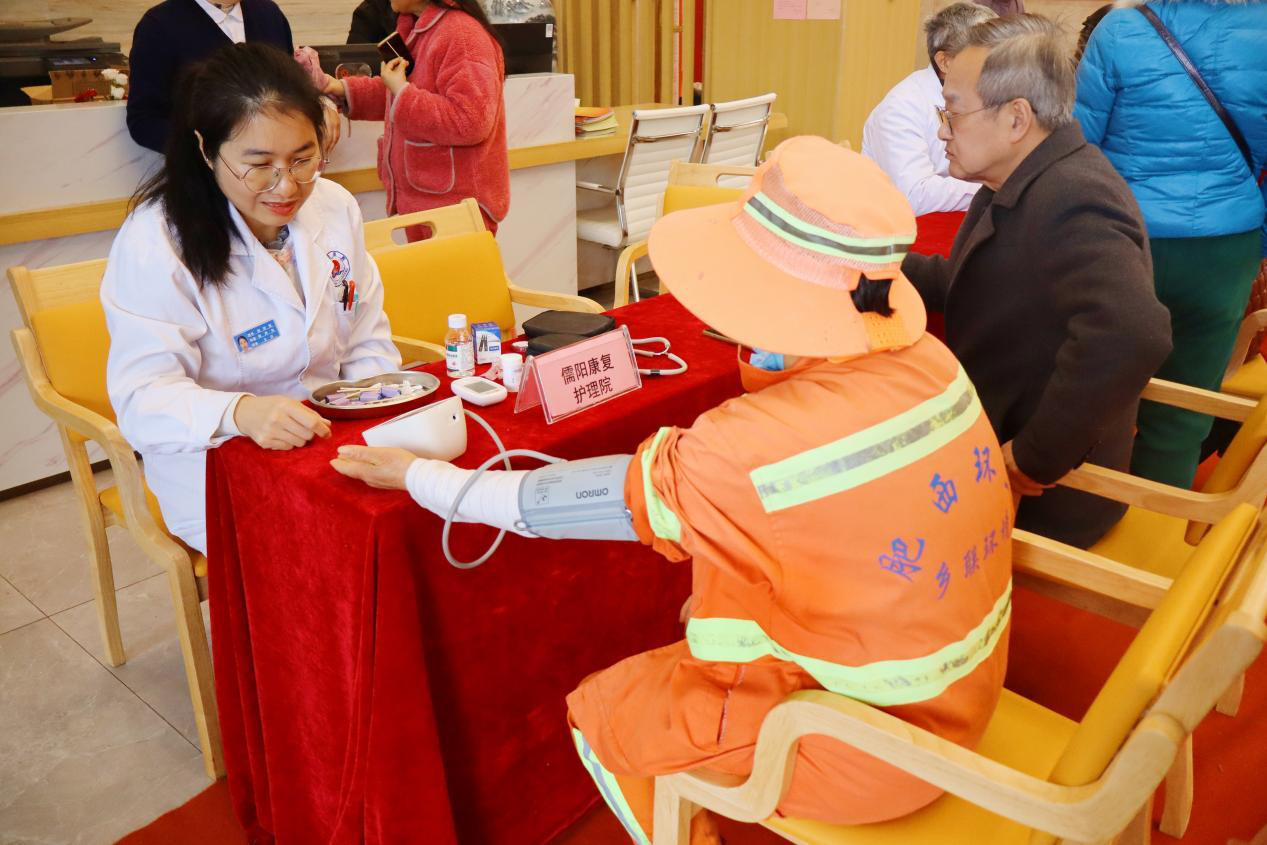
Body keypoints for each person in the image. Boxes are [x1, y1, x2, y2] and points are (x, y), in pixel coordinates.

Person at [332, 136, 1014, 843]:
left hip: (862, 744)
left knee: (605, 718)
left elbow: (554, 506)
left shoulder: (744, 448)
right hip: (967, 694)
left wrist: (420, 477)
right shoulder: (932, 362)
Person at [103, 43, 401, 554]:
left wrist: (376, 413)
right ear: (206, 149)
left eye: (303, 159)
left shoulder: (334, 207)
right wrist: (240, 413)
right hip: (217, 461)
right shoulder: (158, 241)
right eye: (259, 165)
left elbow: (365, 336)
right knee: (325, 555)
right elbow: (142, 397)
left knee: (418, 521)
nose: (286, 187)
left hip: (329, 437)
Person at [902, 14, 1172, 549]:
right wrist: (873, 264)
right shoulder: (1023, 177)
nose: (942, 130)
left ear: (1016, 118)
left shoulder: (1074, 196)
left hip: (1041, 498)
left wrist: (1035, 456)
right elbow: (972, 282)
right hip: (995, 445)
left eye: (952, 112)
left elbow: (1134, 333)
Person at [1074, 0, 1267, 488]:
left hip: (1127, 240)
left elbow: (1080, 146)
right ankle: (1156, 522)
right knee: (1185, 413)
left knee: (1094, 393)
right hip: (1226, 247)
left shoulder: (1120, 28)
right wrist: (1256, 245)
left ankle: (1084, 517)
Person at [322, 0, 510, 238]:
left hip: (457, 209)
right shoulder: (421, 29)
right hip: (428, 202)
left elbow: (471, 121)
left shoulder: (462, 34)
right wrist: (343, 89)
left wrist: (402, 92)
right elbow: (397, 93)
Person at [862, 2, 996, 215]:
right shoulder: (901, 107)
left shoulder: (983, 97)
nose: (998, 67)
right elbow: (915, 195)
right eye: (985, 57)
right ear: (945, 62)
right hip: (899, 225)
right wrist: (992, 189)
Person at [128, 0, 294, 152]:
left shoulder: (269, 14)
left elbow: (292, 94)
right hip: (202, 171)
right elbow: (144, 120)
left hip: (281, 164)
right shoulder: (158, 25)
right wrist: (207, 148)